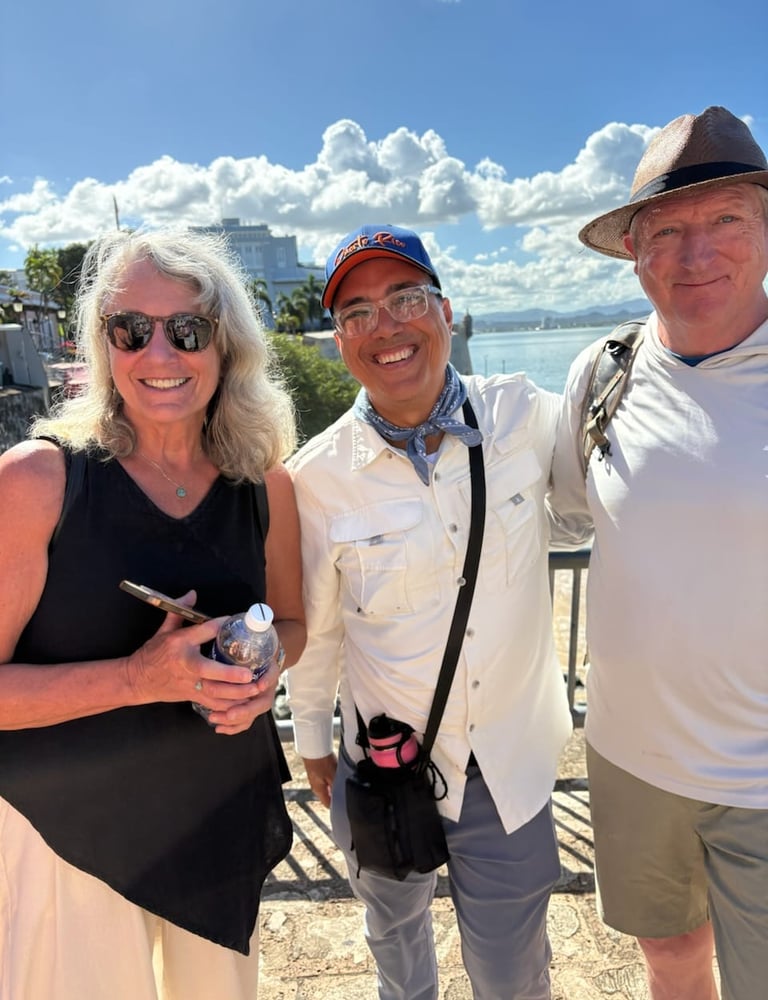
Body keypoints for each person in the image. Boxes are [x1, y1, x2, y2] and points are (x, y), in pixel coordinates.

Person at [0, 227, 306, 1000]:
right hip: (66, 835)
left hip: (215, 820)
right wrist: (142, 678)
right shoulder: (38, 481)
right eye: (131, 330)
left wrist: (266, 665)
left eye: (188, 330)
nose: (159, 355)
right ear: (104, 347)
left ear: (225, 345)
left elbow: (293, 624)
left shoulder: (265, 488)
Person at [286, 223, 573, 999]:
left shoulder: (524, 415)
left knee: (514, 974)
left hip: (506, 764)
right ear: (339, 338)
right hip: (384, 767)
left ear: (446, 311)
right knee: (397, 952)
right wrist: (313, 738)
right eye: (357, 313)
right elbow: (316, 628)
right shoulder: (314, 479)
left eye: (406, 298)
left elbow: (613, 472)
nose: (386, 328)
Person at [549, 106, 768, 1000]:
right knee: (670, 959)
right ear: (633, 253)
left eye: (726, 220)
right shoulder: (603, 374)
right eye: (666, 231)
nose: (695, 254)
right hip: (632, 757)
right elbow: (566, 514)